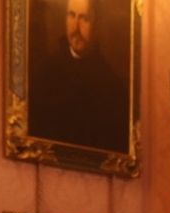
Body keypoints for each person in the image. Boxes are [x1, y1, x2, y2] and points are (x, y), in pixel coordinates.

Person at [27, 0, 127, 152]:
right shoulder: (45, 73)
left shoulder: (112, 87)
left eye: (84, 18)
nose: (75, 26)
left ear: (98, 24)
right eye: (71, 15)